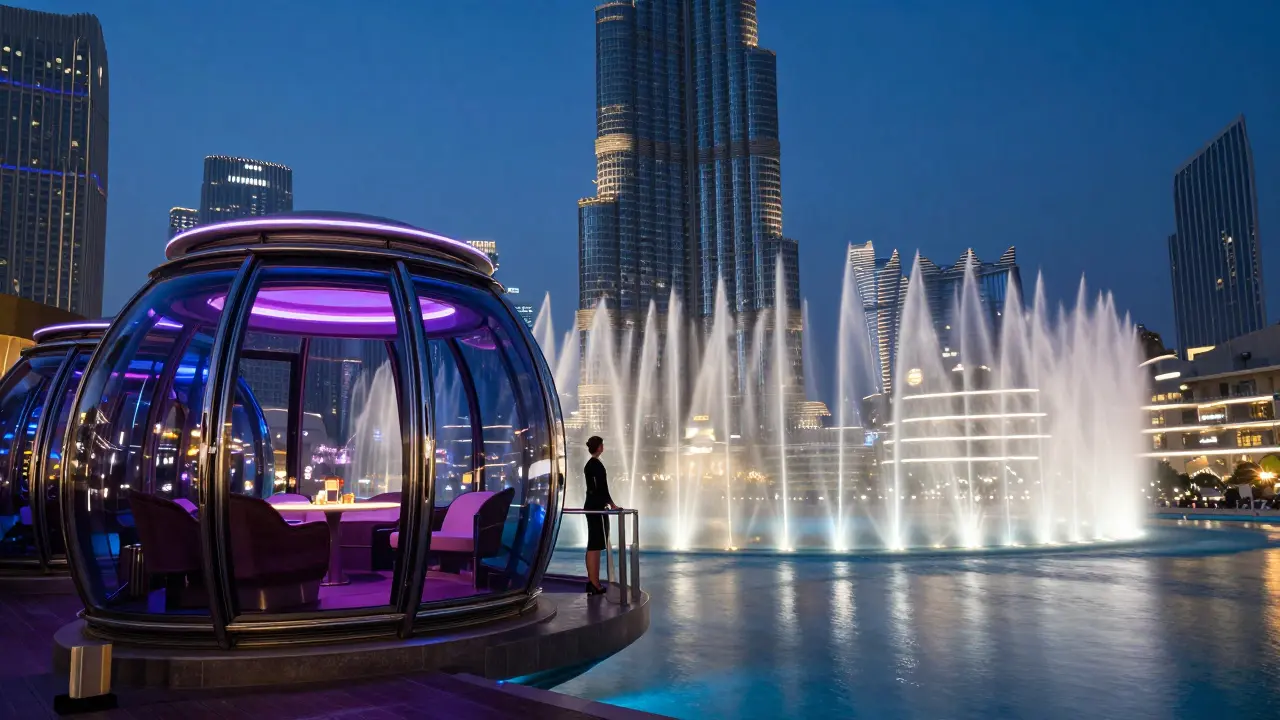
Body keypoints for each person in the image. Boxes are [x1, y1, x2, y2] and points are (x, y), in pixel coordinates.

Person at [584, 435, 619, 595]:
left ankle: (593, 582)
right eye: (602, 445)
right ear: (599, 447)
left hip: (592, 506)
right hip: (595, 508)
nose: (603, 447)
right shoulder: (596, 465)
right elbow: (602, 488)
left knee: (594, 544)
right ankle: (594, 583)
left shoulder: (590, 464)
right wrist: (611, 504)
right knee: (595, 545)